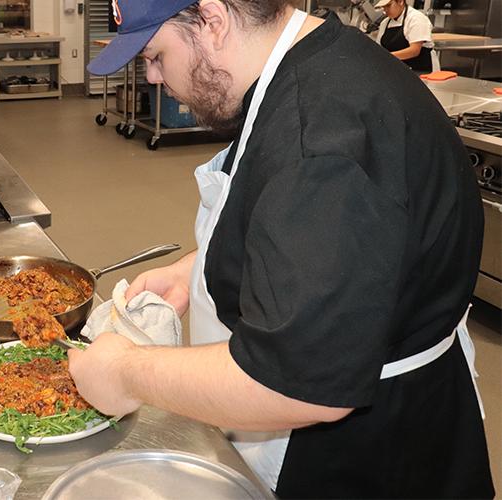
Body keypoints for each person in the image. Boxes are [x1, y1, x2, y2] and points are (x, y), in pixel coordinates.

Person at [69, 0, 495, 497]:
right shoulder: (313, 59)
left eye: (156, 56)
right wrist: (196, 268)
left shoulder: (318, 134)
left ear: (212, 21)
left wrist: (125, 373)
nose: (154, 78)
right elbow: (311, 228)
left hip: (369, 459)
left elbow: (294, 379)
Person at [375, 0, 437, 72]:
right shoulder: (385, 23)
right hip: (396, 70)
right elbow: (379, 48)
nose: (385, 10)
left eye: (388, 6)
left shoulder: (416, 18)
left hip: (420, 70)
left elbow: (414, 51)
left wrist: (386, 56)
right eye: (383, 7)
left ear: (400, 1)